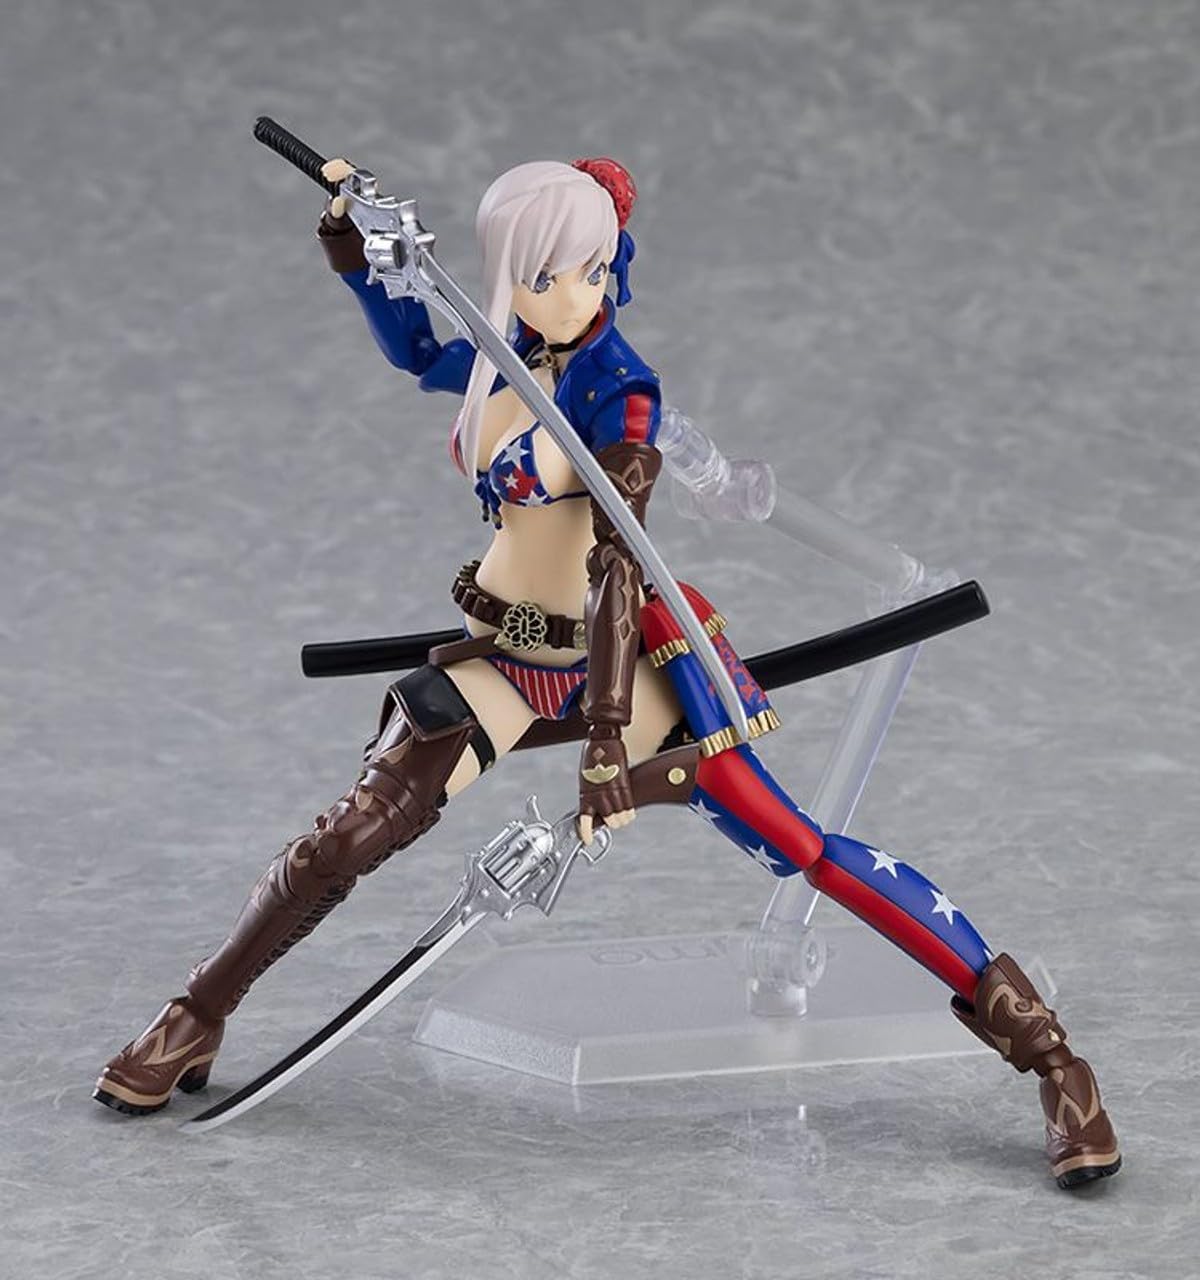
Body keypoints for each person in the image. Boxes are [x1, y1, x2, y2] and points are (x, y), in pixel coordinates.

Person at [95, 154, 1119, 1191]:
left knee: (798, 845)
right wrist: (357, 256)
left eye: (589, 270)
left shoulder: (618, 389)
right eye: (546, 275)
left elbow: (618, 563)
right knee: (350, 833)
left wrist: (603, 743)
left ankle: (1052, 1058)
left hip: (627, 664)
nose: (574, 293)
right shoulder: (502, 353)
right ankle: (198, 1012)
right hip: (506, 653)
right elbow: (417, 351)